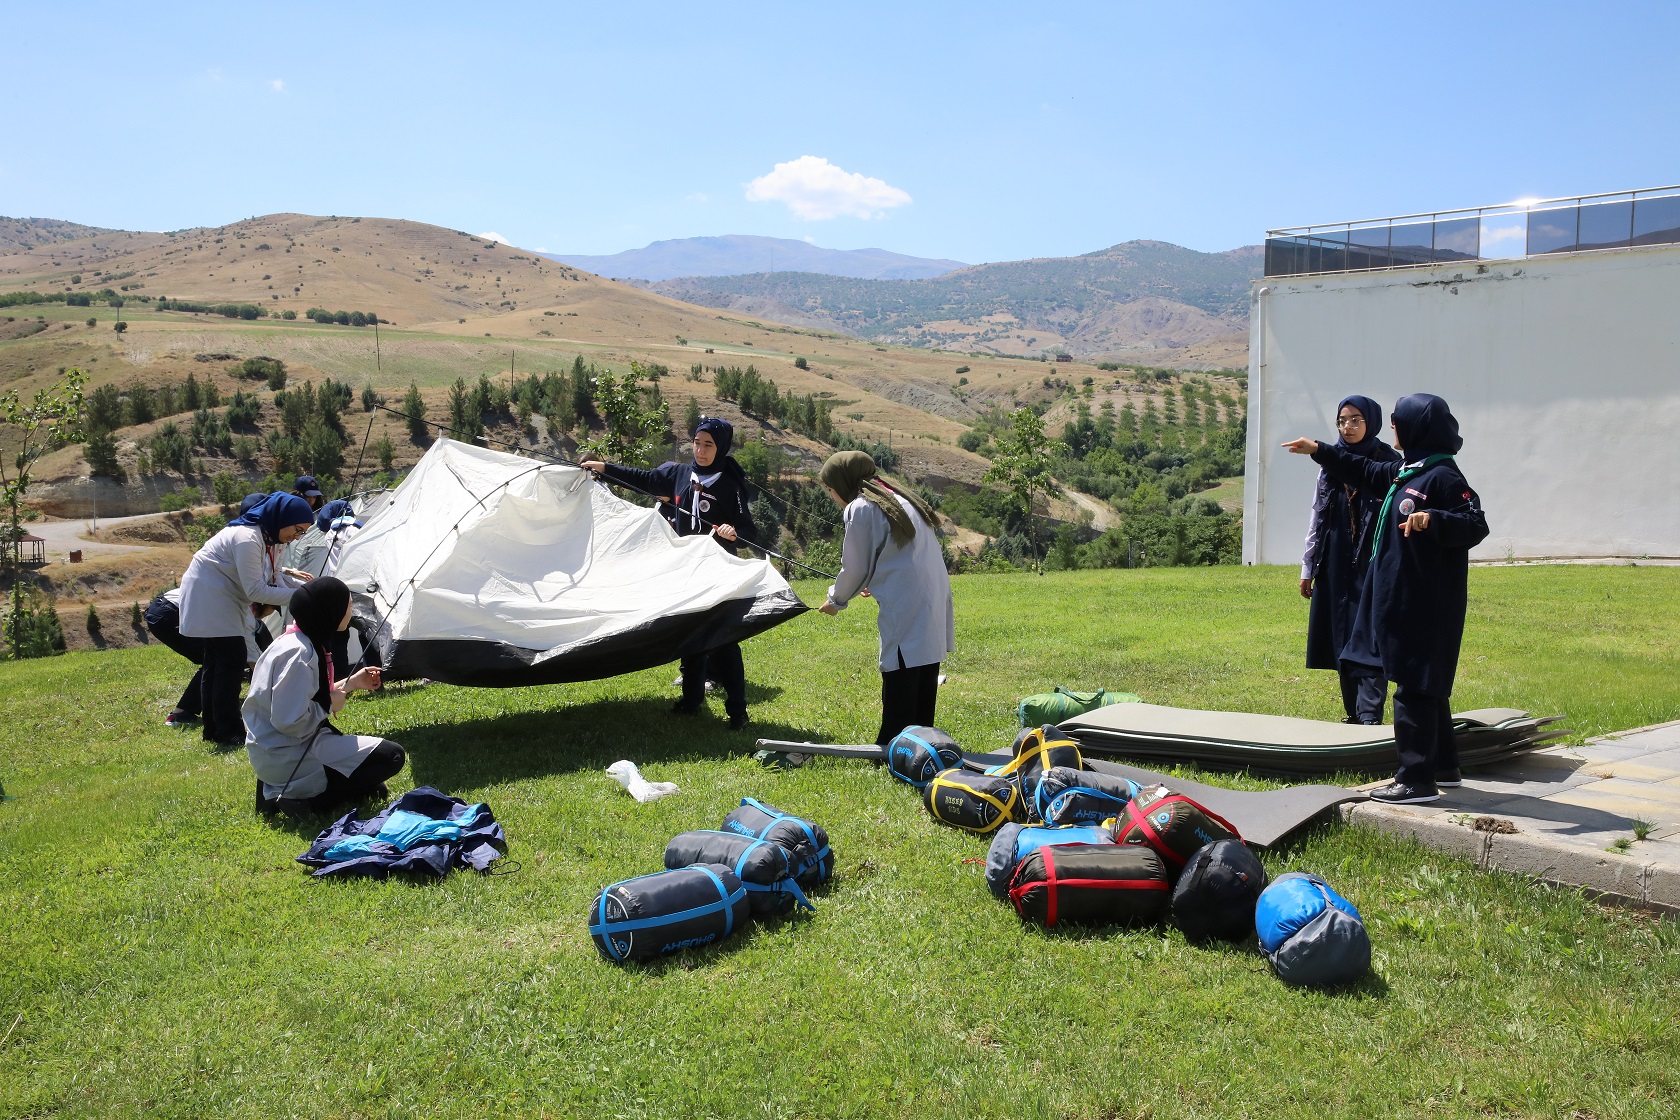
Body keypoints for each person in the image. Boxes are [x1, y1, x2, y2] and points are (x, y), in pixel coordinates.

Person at [1283, 393, 1489, 805]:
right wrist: (1319, 450)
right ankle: (1445, 767)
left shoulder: (1442, 476)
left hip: (1424, 599)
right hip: (1403, 594)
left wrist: (1434, 520)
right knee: (1428, 686)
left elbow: (1475, 523)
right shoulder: (1407, 472)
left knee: (1413, 685)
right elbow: (1362, 468)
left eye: (1397, 421)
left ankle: (1415, 780)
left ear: (1417, 427)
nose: (1392, 427)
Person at [580, 417, 758, 729]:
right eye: (697, 443)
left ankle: (738, 712)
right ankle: (691, 702)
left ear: (722, 448)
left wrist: (734, 531)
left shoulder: (730, 484)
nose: (700, 450)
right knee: (690, 635)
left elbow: (748, 531)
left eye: (708, 445)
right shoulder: (677, 474)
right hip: (683, 571)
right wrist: (603, 467)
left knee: (722, 642)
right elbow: (641, 478)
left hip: (716, 573)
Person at [814, 450, 954, 747]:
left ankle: (894, 745)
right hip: (931, 592)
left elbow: (855, 567)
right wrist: (874, 580)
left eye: (829, 490)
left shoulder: (861, 508)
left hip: (906, 600)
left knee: (901, 669)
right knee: (925, 667)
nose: (831, 496)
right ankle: (924, 742)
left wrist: (835, 599)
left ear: (841, 483)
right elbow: (892, 554)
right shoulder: (899, 496)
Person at [247, 576, 403, 816]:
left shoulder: (293, 641)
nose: (351, 611)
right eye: (348, 605)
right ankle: (304, 801)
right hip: (289, 752)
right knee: (392, 756)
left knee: (374, 789)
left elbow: (304, 695)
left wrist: (350, 684)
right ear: (330, 611)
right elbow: (288, 720)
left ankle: (276, 790)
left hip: (273, 750)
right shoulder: (300, 654)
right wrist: (328, 705)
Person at [178, 493, 316, 746]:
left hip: (225, 597)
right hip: (210, 596)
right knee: (231, 662)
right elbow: (256, 591)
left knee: (216, 664)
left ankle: (213, 729)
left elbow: (275, 578)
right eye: (297, 530)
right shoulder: (247, 537)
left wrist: (311, 588)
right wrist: (305, 595)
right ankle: (229, 732)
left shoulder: (273, 538)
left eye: (302, 533)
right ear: (283, 518)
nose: (296, 537)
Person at [1300, 395, 1401, 725]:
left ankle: (1369, 715)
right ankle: (1353, 714)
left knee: (1369, 637)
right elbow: (1318, 515)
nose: (1348, 426)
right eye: (1342, 421)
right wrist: (1309, 567)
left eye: (1356, 420)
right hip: (1336, 561)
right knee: (1341, 636)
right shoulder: (1330, 462)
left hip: (1372, 561)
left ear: (1370, 421)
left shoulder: (1388, 461)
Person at [146, 590, 275, 727]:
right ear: (258, 605)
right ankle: (180, 715)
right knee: (217, 658)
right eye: (270, 609)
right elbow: (253, 660)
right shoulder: (244, 614)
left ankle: (192, 710)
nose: (268, 615)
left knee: (218, 657)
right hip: (171, 613)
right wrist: (268, 694)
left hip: (165, 607)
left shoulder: (243, 595)